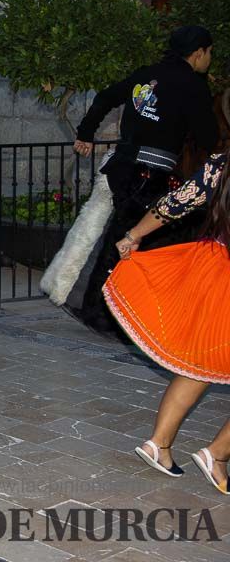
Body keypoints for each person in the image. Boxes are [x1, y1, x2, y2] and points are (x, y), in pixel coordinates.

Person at [65, 24, 216, 338]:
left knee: (124, 238)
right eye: (210, 53)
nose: (210, 59)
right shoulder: (193, 85)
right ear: (198, 52)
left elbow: (105, 97)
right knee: (143, 240)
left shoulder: (148, 74)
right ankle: (109, 315)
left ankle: (108, 312)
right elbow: (209, 137)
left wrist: (85, 133)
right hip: (153, 175)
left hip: (124, 169)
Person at [105, 153, 230, 494]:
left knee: (199, 362)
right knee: (201, 362)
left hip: (217, 270)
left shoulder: (222, 163)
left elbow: (176, 203)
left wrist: (133, 235)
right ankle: (217, 454)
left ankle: (158, 445)